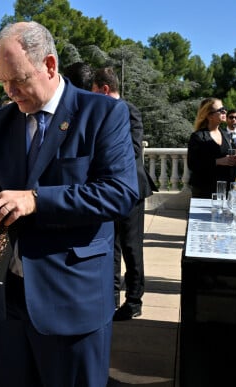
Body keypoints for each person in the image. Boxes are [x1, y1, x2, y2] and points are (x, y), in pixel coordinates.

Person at [0, 21, 139, 386]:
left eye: (17, 79)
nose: (9, 91)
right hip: (11, 302)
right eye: (2, 82)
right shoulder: (0, 122)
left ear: (49, 65)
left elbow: (119, 193)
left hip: (72, 299)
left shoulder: (103, 114)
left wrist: (37, 200)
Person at [91, 67, 155, 320]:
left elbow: (135, 149)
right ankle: (111, 297)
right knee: (111, 245)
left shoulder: (129, 110)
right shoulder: (96, 113)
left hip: (130, 190)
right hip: (106, 191)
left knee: (131, 246)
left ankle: (135, 300)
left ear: (104, 89)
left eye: (94, 91)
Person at [187, 98, 236, 198]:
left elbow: (228, 157)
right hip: (204, 190)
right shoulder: (198, 137)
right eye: (221, 110)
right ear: (209, 115)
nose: (225, 111)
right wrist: (218, 161)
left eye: (224, 108)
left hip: (225, 189)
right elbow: (192, 164)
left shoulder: (225, 134)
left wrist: (235, 159)